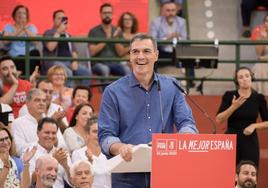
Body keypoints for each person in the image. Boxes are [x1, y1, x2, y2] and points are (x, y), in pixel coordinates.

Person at [98, 33, 198, 187]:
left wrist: (184, 136)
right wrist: (120, 148)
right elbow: (105, 136)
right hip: (127, 175)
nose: (140, 56)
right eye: (135, 52)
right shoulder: (113, 91)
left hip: (166, 171)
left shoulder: (172, 86)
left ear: (156, 55)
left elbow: (187, 123)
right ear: (130, 56)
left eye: (146, 51)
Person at [216, 67, 268, 167]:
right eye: (240, 77)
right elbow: (219, 119)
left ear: (251, 78)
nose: (244, 79)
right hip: (231, 139)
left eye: (247, 76)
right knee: (228, 171)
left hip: (250, 140)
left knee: (249, 171)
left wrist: (254, 126)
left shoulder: (259, 98)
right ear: (237, 81)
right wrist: (233, 107)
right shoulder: (229, 95)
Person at [150, 1, 195, 87]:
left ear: (176, 11)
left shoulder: (182, 21)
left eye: (173, 10)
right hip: (162, 51)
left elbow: (185, 39)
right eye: (168, 10)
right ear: (163, 11)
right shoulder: (156, 22)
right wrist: (168, 38)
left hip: (177, 51)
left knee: (189, 54)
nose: (171, 13)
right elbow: (153, 41)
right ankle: (153, 82)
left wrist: (178, 38)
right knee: (152, 55)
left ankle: (190, 81)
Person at [42, 9, 90, 86]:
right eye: (59, 18)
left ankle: (82, 94)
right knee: (68, 73)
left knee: (86, 73)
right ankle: (68, 96)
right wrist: (58, 32)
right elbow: (50, 47)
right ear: (54, 20)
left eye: (63, 18)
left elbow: (74, 52)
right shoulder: (48, 33)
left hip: (69, 62)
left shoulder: (68, 36)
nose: (62, 20)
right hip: (55, 62)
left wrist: (75, 61)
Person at [12, 89, 66, 156]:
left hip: (54, 160)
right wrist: (44, 144)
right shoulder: (18, 123)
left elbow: (63, 145)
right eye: (37, 100)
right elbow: (19, 149)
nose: (41, 103)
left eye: (44, 100)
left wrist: (54, 142)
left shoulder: (51, 121)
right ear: (27, 103)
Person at [23, 117, 72, 188]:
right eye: (47, 132)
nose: (50, 136)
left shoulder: (62, 153)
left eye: (54, 133)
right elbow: (28, 182)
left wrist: (66, 166)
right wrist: (53, 160)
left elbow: (73, 183)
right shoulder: (29, 152)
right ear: (38, 133)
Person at [88, 3, 130, 77]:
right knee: (105, 69)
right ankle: (107, 89)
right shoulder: (93, 31)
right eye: (105, 13)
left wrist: (115, 38)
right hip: (99, 64)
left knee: (126, 70)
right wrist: (107, 39)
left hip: (115, 63)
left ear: (112, 14)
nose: (107, 15)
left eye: (109, 13)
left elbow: (120, 53)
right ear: (100, 14)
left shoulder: (116, 30)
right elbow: (92, 52)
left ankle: (123, 89)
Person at [72, 116, 111, 188]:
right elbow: (77, 180)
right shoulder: (78, 154)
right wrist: (90, 161)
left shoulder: (109, 154)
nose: (98, 135)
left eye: (101, 132)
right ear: (87, 134)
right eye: (95, 131)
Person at [2, 4, 40, 74]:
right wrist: (19, 30)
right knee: (20, 59)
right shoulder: (8, 27)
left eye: (24, 13)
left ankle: (20, 73)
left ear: (27, 16)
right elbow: (5, 41)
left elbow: (36, 41)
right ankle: (23, 75)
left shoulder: (31, 27)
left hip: (29, 57)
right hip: (15, 57)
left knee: (35, 53)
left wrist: (25, 28)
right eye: (19, 13)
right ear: (14, 16)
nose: (21, 15)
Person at [0, 123, 37, 188]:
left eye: (7, 138)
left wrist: (26, 164)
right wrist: (6, 167)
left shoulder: (16, 161)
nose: (5, 142)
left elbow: (25, 186)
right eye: (1, 140)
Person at [251, 14, 268, 95]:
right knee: (258, 68)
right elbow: (259, 53)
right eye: (267, 21)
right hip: (264, 62)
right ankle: (262, 96)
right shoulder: (261, 35)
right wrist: (263, 39)